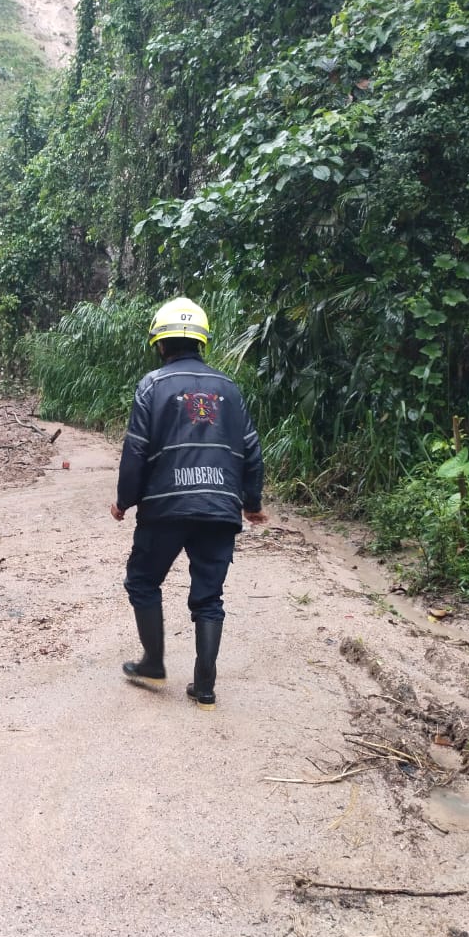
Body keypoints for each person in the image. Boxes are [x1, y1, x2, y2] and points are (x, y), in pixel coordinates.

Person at [109, 297, 267, 710]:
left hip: (165, 508)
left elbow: (136, 451)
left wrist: (125, 500)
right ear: (201, 342)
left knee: (143, 581)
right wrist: (251, 502)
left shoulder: (153, 385)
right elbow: (251, 450)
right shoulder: (229, 389)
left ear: (160, 344)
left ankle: (154, 663)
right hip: (220, 508)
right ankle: (205, 688)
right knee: (209, 597)